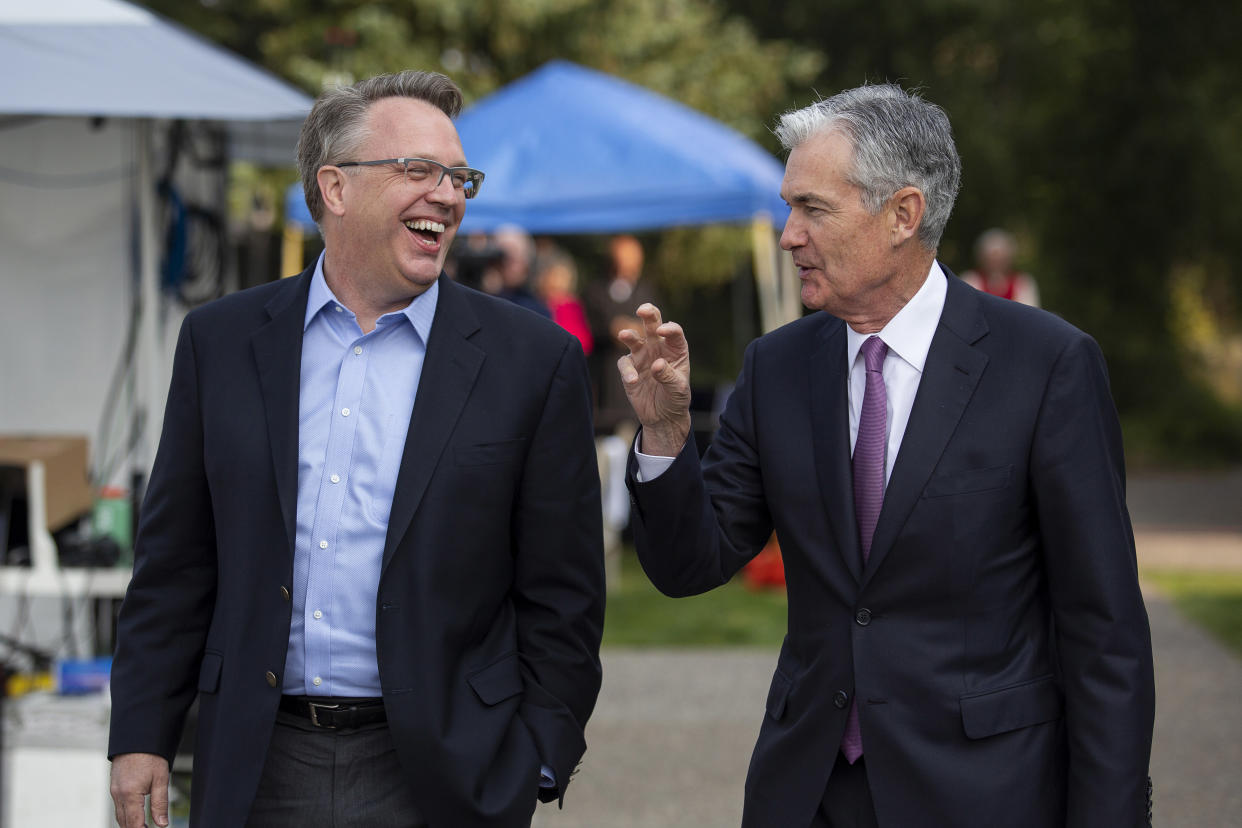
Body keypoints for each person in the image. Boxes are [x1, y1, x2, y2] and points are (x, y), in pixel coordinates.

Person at [618, 83, 1154, 827]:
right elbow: (687, 566)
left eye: (812, 208)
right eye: (788, 207)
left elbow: (1105, 634)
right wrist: (666, 434)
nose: (787, 235)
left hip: (985, 795)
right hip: (809, 795)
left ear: (903, 214)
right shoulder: (776, 367)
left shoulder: (1046, 365)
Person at [107, 70, 605, 828]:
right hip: (258, 762)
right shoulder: (222, 342)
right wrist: (141, 732)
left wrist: (535, 756)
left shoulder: (532, 361)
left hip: (445, 774)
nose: (448, 195)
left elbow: (564, 595)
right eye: (418, 171)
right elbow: (175, 564)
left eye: (458, 176)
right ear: (334, 188)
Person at [585, 234, 659, 435]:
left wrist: (633, 329)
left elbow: (656, 327)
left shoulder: (645, 290)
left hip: (638, 379)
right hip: (605, 380)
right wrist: (611, 329)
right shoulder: (596, 290)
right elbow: (589, 328)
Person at [961, 227, 1041, 306]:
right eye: (991, 259)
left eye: (1001, 259)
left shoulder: (1023, 283)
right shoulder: (970, 280)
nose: (996, 263)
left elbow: (1028, 313)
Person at [535, 250, 594, 356]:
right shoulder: (535, 304)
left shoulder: (573, 307)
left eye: (562, 278)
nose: (558, 283)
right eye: (554, 276)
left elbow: (584, 342)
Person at [493, 224, 552, 318]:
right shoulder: (480, 296)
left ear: (527, 263)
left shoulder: (536, 310)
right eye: (500, 257)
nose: (504, 264)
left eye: (512, 259)